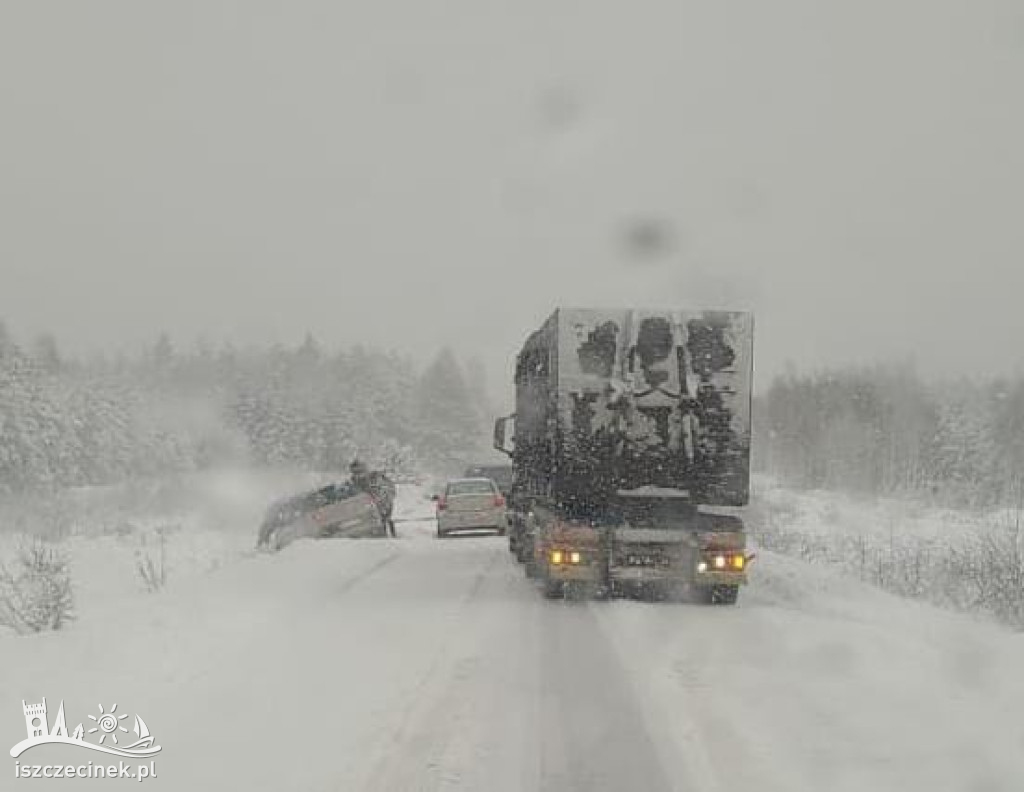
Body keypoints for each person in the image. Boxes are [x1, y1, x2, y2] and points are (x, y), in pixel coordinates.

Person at [350, 459, 397, 537]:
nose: (357, 475)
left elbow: (389, 489)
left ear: (364, 469)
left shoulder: (376, 477)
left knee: (384, 519)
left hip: (382, 503)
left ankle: (388, 536)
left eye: (359, 472)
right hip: (367, 506)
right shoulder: (354, 481)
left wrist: (381, 500)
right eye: (355, 472)